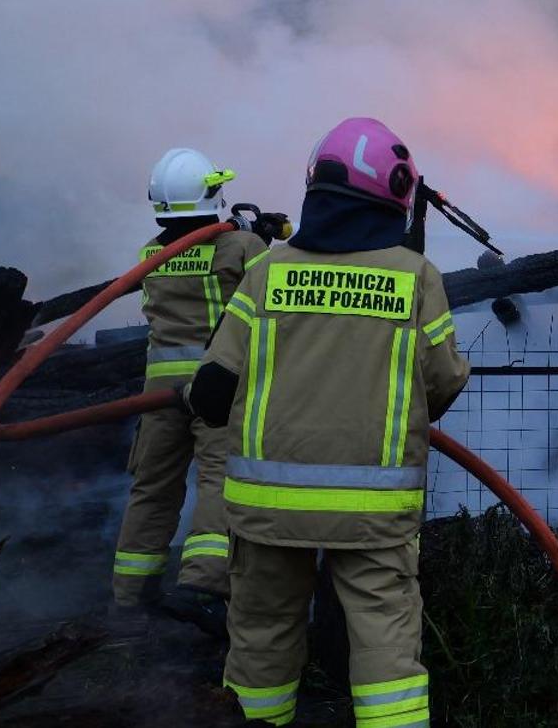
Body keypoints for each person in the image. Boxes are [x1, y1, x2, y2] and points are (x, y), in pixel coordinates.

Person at [184, 118, 469, 727]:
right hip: (373, 510)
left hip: (266, 508)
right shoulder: (416, 278)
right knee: (386, 646)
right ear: (396, 193)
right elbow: (442, 382)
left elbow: (210, 392)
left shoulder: (265, 272)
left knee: (260, 635)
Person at [112, 147, 265, 628]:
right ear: (212, 195)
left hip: (159, 393)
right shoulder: (240, 248)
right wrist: (257, 236)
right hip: (217, 388)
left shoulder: (149, 256)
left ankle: (130, 592)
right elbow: (267, 290)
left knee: (152, 487)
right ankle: (203, 585)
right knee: (220, 481)